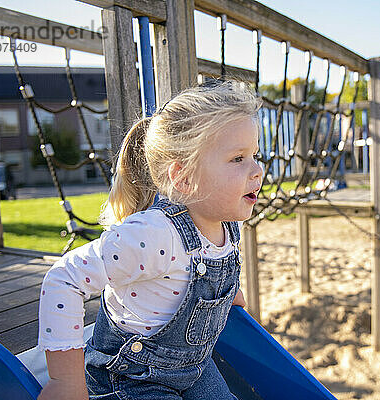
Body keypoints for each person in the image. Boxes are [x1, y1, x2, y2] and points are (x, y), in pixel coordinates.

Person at [37, 80, 263, 400]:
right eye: (238, 158)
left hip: (192, 367)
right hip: (131, 376)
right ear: (183, 178)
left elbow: (200, 275)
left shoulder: (223, 223)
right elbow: (64, 279)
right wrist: (65, 381)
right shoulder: (154, 235)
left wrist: (224, 295)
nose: (257, 170)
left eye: (255, 154)